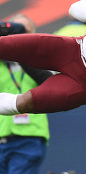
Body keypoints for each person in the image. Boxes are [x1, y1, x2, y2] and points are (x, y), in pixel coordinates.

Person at [0, 14, 52, 174]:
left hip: (30, 137)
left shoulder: (44, 59)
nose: (20, 37)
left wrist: (20, 52)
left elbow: (49, 81)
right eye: (16, 31)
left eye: (25, 32)